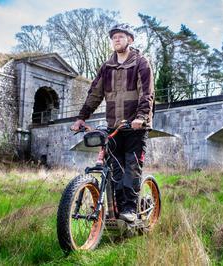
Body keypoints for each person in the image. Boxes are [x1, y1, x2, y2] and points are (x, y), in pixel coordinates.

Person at [71, 23, 154, 222]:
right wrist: (82, 117)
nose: (116, 39)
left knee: (132, 167)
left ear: (130, 40)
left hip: (135, 126)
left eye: (121, 36)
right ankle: (117, 211)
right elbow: (95, 94)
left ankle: (130, 210)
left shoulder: (141, 63)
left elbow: (147, 93)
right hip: (113, 127)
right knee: (115, 170)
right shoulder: (107, 67)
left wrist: (141, 118)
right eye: (114, 37)